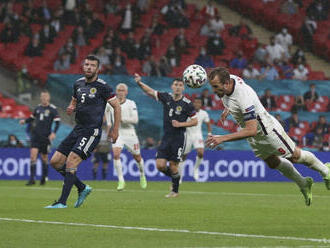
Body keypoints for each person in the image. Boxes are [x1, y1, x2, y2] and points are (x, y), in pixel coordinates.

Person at [206, 67, 330, 206]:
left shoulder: (243, 98)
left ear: (227, 83)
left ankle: (326, 170)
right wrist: (228, 109)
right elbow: (233, 97)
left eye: (216, 87)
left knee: (294, 156)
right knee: (272, 162)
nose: (214, 90)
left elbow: (251, 129)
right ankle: (303, 183)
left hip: (267, 130)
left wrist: (222, 138)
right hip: (254, 134)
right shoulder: (230, 81)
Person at [44, 55, 121, 208]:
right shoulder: (78, 83)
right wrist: (71, 107)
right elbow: (74, 100)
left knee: (71, 161)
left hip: (91, 131)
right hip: (77, 129)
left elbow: (117, 106)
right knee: (55, 162)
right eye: (86, 64)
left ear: (97, 69)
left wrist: (115, 130)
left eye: (92, 65)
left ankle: (62, 202)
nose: (88, 67)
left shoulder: (103, 86)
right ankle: (82, 188)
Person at [134, 74, 197, 198]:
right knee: (160, 165)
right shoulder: (166, 97)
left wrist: (180, 124)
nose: (178, 87)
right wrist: (139, 83)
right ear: (172, 86)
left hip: (178, 138)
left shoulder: (187, 104)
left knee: (173, 165)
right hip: (166, 137)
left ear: (183, 88)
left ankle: (175, 191)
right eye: (175, 85)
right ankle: (175, 179)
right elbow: (151, 92)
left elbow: (195, 121)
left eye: (180, 85)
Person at [105, 83, 147, 190]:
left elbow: (135, 120)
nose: (120, 92)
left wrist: (123, 120)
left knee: (137, 157)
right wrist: (108, 132)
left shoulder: (131, 103)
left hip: (130, 133)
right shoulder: (109, 104)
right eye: (119, 90)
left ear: (126, 92)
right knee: (116, 154)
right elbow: (109, 121)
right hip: (117, 133)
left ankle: (142, 175)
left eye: (123, 90)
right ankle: (121, 181)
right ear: (116, 91)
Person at [19, 90, 61, 186]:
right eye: (42, 96)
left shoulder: (53, 109)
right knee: (33, 156)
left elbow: (58, 122)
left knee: (44, 158)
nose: (43, 98)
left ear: (48, 98)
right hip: (36, 136)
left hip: (46, 137)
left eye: (45, 96)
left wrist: (54, 133)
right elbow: (32, 118)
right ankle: (32, 179)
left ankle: (44, 177)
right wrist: (24, 121)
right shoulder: (37, 108)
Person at [178, 98, 212, 182]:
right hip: (187, 135)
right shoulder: (188, 112)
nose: (197, 104)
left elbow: (208, 123)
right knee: (183, 156)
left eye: (199, 102)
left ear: (201, 104)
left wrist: (209, 134)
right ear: (193, 104)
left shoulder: (204, 113)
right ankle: (180, 176)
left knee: (200, 152)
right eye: (195, 102)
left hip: (198, 135)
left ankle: (196, 169)